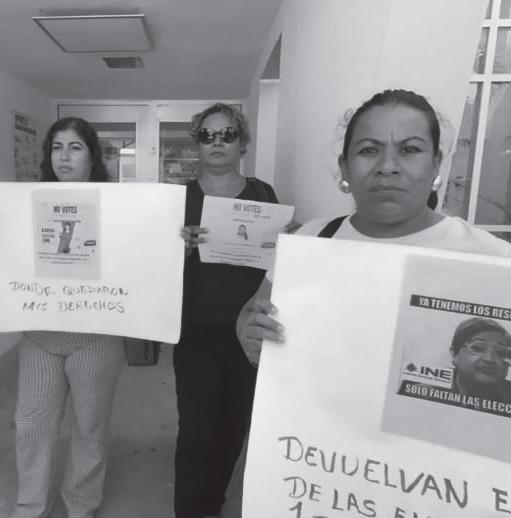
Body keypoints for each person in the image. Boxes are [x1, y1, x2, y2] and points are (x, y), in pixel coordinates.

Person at [236, 89, 511, 365]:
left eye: (409, 150)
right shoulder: (313, 238)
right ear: (345, 166)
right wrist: (251, 335)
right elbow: (252, 312)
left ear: (436, 163)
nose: (387, 166)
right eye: (369, 150)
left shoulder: (492, 259)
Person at [11, 117, 125, 518]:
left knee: (88, 426)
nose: (65, 156)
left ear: (92, 157)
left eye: (75, 147)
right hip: (41, 334)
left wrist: (171, 236)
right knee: (31, 423)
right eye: (57, 147)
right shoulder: (23, 205)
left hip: (97, 335)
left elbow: (139, 255)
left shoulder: (121, 207)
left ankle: (81, 504)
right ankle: (30, 505)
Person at [174, 103, 279, 518]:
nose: (217, 142)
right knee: (195, 430)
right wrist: (178, 248)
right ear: (197, 144)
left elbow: (280, 260)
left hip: (248, 334)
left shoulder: (263, 195)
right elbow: (152, 265)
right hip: (194, 331)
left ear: (242, 144)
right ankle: (188, 510)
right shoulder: (180, 198)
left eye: (227, 134)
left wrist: (287, 239)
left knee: (233, 428)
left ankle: (212, 502)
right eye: (207, 135)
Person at [450, 317, 511, 402]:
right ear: (454, 354)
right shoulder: (433, 388)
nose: (489, 359)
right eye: (478, 348)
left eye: (500, 352)